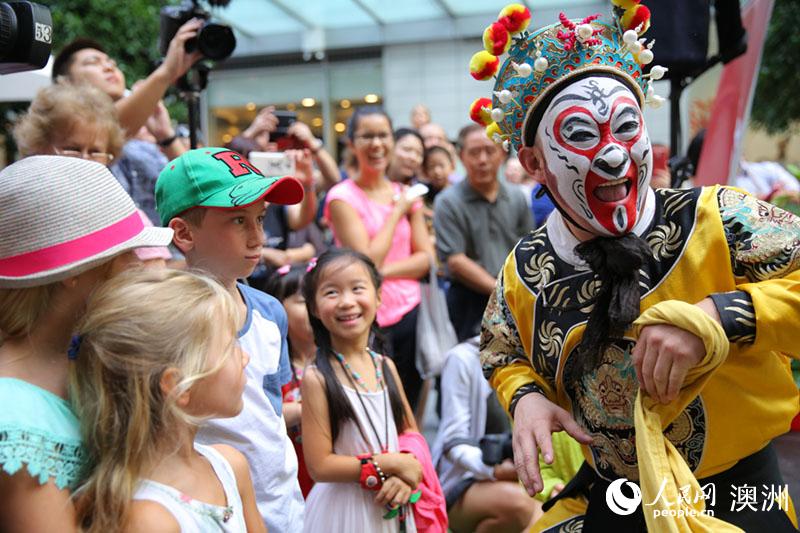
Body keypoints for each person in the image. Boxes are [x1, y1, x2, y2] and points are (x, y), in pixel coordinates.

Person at [475, 4, 800, 531]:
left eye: (626, 126)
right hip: (621, 502)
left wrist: (722, 316)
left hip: (738, 495)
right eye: (580, 134)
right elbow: (499, 348)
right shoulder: (527, 270)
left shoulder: (717, 219)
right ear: (534, 163)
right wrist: (526, 397)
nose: (612, 156)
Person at [0, 156, 173, 531]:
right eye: (127, 253)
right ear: (73, 273)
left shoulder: (81, 361)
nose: (139, 266)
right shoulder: (16, 420)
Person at [155, 147, 306, 531]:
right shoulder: (167, 321)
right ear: (184, 233)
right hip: (214, 512)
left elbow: (270, 410)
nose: (258, 237)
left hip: (284, 505)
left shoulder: (271, 312)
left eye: (260, 217)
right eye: (238, 220)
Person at [71, 269, 264, 533]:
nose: (245, 358)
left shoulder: (230, 466)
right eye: (230, 346)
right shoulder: (147, 520)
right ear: (177, 386)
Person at [300, 248, 423, 533]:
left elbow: (410, 432)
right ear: (315, 308)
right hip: (345, 509)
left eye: (357, 288)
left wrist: (403, 476)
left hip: (391, 497)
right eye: (331, 293)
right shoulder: (317, 377)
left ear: (379, 296)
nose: (346, 302)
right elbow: (319, 465)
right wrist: (389, 465)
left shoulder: (385, 366)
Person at [324, 107, 434, 413]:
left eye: (383, 135)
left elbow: (426, 259)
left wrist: (380, 272)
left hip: (411, 311)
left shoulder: (405, 193)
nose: (376, 144)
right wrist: (397, 211)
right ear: (351, 143)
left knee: (411, 403)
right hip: (364, 315)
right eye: (367, 136)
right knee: (372, 403)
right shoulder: (342, 197)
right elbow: (364, 261)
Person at [12, 83, 172, 266]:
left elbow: (155, 271)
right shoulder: (21, 206)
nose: (84, 159)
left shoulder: (120, 211)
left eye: (96, 151)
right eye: (72, 148)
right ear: (38, 146)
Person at [431, 337, 543, 532]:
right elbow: (452, 441)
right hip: (467, 479)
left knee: (544, 511)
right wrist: (493, 470)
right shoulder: (463, 358)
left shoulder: (541, 355)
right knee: (521, 506)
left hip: (532, 476)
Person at [434, 123, 533, 341]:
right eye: (474, 152)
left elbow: (529, 246)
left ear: (502, 154)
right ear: (461, 156)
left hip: (517, 296)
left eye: (489, 150)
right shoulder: (448, 202)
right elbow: (456, 261)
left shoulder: (517, 197)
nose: (482, 159)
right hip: (469, 303)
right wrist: (500, 294)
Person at [52, 29, 201, 139]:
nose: (109, 67)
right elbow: (103, 130)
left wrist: (166, 137)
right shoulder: (59, 128)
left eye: (111, 62)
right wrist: (167, 71)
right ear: (65, 82)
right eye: (93, 62)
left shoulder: (145, 134)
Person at [265, 263, 317, 498]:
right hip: (289, 480)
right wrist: (305, 410)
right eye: (302, 301)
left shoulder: (339, 361)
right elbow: (261, 414)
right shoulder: (270, 365)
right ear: (278, 307)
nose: (314, 308)